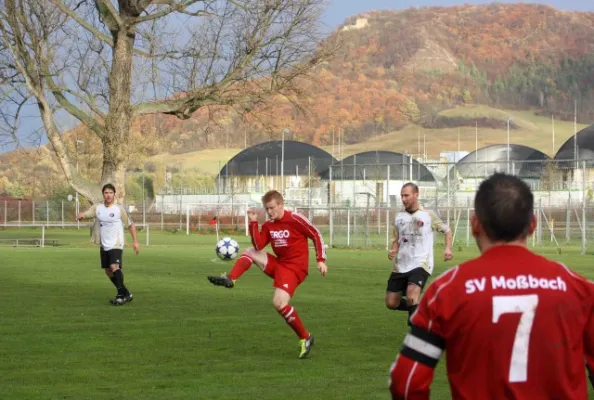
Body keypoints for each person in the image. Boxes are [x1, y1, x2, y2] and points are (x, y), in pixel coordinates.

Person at [389, 173, 594, 400]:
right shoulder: (581, 290)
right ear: (533, 224)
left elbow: (405, 383)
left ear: (475, 224)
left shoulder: (446, 291)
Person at [207, 189, 328, 359]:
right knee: (250, 251)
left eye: (272, 208)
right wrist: (254, 223)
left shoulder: (295, 218)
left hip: (295, 268)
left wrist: (321, 259)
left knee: (279, 303)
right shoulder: (270, 225)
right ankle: (231, 278)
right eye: (267, 209)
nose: (270, 212)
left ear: (281, 204)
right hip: (280, 265)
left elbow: (315, 234)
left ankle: (305, 338)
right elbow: (258, 245)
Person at [386, 182, 453, 326]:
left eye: (406, 195)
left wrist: (448, 248)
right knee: (391, 302)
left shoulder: (428, 215)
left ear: (416, 195)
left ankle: (415, 329)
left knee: (412, 295)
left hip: (421, 263)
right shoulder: (399, 217)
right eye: (402, 196)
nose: (403, 199)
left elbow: (447, 230)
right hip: (401, 264)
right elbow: (396, 239)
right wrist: (393, 250)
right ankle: (422, 308)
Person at [76, 183, 140, 305]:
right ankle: (126, 293)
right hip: (104, 244)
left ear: (114, 194)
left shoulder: (119, 209)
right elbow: (89, 213)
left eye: (111, 192)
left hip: (116, 243)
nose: (108, 195)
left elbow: (130, 225)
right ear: (103, 194)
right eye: (106, 192)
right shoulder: (98, 207)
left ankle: (121, 296)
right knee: (108, 271)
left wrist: (135, 242)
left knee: (114, 267)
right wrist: (82, 216)